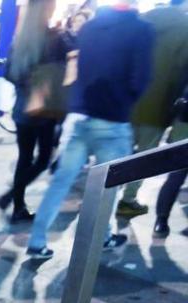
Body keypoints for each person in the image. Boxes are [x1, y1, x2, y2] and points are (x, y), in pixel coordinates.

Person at [27, 0, 154, 259]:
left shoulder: (91, 26)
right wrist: (124, 102)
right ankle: (103, 237)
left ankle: (37, 239)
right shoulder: (141, 29)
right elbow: (140, 79)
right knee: (109, 184)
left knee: (61, 181)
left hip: (80, 114)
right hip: (112, 119)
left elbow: (81, 67)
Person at [0, 0, 68, 224]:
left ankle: (17, 204)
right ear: (48, 10)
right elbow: (62, 72)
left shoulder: (19, 40)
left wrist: (25, 83)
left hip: (21, 111)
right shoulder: (55, 39)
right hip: (44, 110)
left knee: (24, 158)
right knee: (44, 158)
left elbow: (8, 74)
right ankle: (10, 198)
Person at [118, 0, 188, 218]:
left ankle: (104, 197)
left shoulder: (141, 19)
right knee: (144, 155)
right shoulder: (186, 28)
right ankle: (127, 200)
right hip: (159, 102)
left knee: (118, 152)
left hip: (126, 97)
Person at [153, 71, 188, 237]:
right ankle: (161, 219)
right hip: (184, 126)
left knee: (175, 177)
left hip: (182, 124)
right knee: (176, 177)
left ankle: (161, 220)